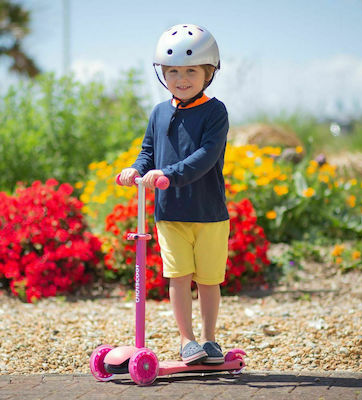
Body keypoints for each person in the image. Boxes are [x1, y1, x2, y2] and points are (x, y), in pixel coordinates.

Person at [119, 23, 229, 366]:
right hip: (170, 214)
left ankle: (210, 340)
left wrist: (169, 174)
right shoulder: (158, 112)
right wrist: (137, 169)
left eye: (191, 70)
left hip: (209, 213)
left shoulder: (215, 112)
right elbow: (148, 151)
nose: (182, 78)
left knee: (209, 281)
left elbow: (205, 158)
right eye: (173, 71)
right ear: (162, 73)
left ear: (208, 73)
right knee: (178, 278)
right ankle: (187, 341)